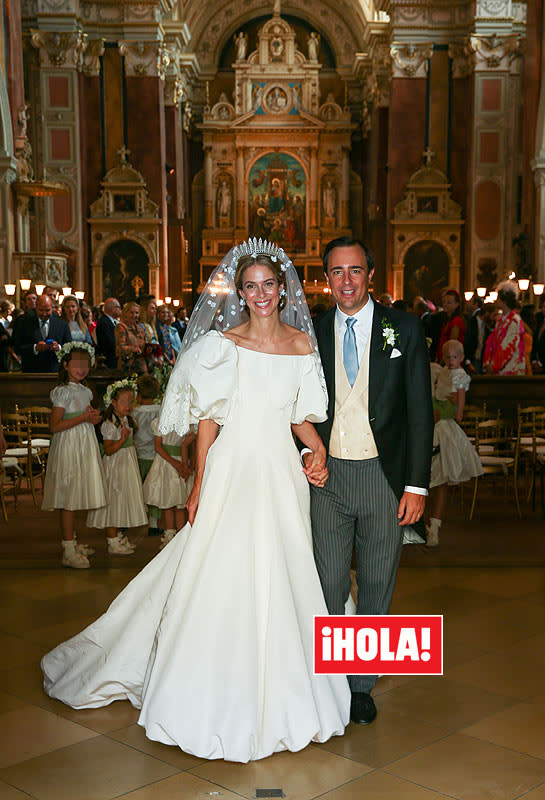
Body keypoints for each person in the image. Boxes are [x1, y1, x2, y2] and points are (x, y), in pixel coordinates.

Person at [41, 238, 350, 763]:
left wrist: (316, 450)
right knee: (219, 569)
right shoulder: (221, 345)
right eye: (249, 287)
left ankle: (288, 688)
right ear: (241, 293)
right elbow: (209, 420)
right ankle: (203, 687)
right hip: (232, 466)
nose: (259, 295)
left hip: (279, 469)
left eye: (268, 285)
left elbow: (298, 414)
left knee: (285, 568)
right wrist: (200, 481)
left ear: (282, 289)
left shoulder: (301, 343)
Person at [307, 236, 434, 724]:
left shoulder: (403, 328)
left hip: (385, 478)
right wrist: (306, 451)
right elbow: (299, 408)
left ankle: (360, 686)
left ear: (370, 275)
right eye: (336, 272)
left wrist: (417, 486)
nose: (346, 281)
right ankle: (331, 680)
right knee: (329, 581)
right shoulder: (312, 332)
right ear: (326, 278)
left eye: (355, 271)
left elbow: (420, 412)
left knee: (378, 584)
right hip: (329, 478)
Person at [42, 342, 106, 568]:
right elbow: (55, 425)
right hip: (69, 445)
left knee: (77, 493)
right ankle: (67, 548)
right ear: (66, 365)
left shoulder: (85, 390)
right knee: (69, 497)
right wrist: (84, 419)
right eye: (77, 365)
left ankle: (73, 540)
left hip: (83, 443)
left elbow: (82, 416)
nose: (82, 369)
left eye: (86, 365)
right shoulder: (63, 391)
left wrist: (92, 417)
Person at [426, 340, 483, 546]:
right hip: (426, 430)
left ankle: (434, 526)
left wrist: (453, 408)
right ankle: (425, 524)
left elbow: (457, 397)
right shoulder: (435, 373)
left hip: (442, 429)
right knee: (426, 481)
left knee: (440, 478)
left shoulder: (445, 373)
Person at [86, 379, 146, 553]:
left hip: (127, 464)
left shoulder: (128, 420)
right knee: (113, 501)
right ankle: (112, 540)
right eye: (124, 402)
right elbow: (109, 450)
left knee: (123, 500)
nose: (128, 405)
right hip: (115, 467)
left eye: (131, 401)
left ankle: (118, 536)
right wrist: (122, 439)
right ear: (113, 402)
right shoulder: (109, 424)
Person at [143, 418, 194, 549]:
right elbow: (158, 446)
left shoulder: (186, 422)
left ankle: (181, 538)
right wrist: (176, 463)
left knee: (180, 502)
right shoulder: (159, 422)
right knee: (168, 502)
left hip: (181, 463)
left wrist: (184, 465)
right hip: (166, 463)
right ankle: (169, 536)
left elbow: (187, 445)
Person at [132, 373, 163, 537]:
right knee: (153, 489)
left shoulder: (134, 412)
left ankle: (134, 519)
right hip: (155, 454)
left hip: (137, 454)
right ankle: (153, 523)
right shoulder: (160, 410)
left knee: (136, 488)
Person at [15, 294, 70, 372]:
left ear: (52, 308)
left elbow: (69, 347)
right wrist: (35, 348)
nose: (44, 314)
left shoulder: (62, 324)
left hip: (55, 373)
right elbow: (17, 348)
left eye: (47, 310)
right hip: (31, 373)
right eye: (41, 310)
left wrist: (58, 348)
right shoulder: (24, 323)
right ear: (36, 308)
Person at [483, 282, 526, 375]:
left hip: (511, 368)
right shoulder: (500, 319)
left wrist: (494, 365)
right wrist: (488, 362)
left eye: (498, 298)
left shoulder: (514, 320)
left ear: (504, 301)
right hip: (499, 368)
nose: (496, 300)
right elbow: (491, 341)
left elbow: (508, 345)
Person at [115, 301, 147, 373]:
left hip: (141, 364)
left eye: (136, 313)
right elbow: (120, 347)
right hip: (127, 365)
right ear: (125, 313)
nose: (134, 315)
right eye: (131, 313)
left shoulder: (140, 328)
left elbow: (143, 344)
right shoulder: (121, 327)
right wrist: (133, 349)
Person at [436, 288, 465, 363]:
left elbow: (452, 343)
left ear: (456, 304)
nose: (445, 304)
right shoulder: (447, 320)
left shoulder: (456, 321)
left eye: (449, 302)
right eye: (444, 302)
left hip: (451, 360)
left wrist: (444, 360)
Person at [464, 293, 489, 374]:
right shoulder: (472, 322)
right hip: (472, 359)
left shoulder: (487, 326)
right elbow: (467, 342)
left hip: (481, 360)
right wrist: (468, 361)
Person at [95, 297, 121, 369]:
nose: (120, 310)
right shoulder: (104, 322)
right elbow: (110, 342)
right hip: (109, 360)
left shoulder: (110, 321)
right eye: (118, 307)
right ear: (112, 308)